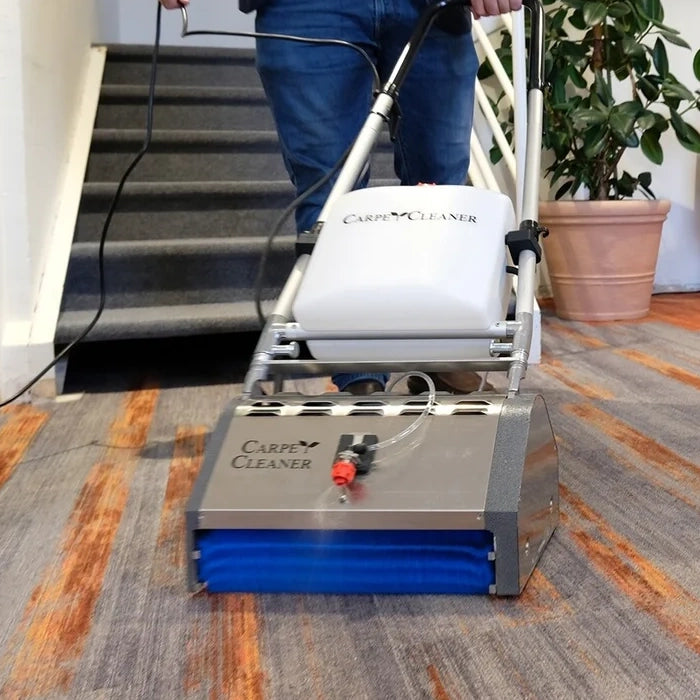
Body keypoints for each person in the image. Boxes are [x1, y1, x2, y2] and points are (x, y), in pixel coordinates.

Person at [160, 0, 523, 394]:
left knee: (443, 190)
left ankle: (440, 353)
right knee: (329, 194)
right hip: (306, 7)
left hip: (431, 6)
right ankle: (358, 373)